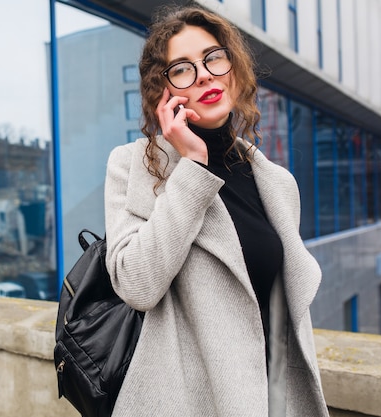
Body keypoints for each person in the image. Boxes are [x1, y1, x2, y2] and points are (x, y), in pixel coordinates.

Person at [104, 4, 329, 417]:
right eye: (182, 68)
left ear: (234, 69)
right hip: (188, 404)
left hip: (272, 401)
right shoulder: (134, 165)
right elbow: (136, 285)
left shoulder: (277, 183)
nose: (205, 74)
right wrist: (192, 165)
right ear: (163, 90)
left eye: (213, 58)